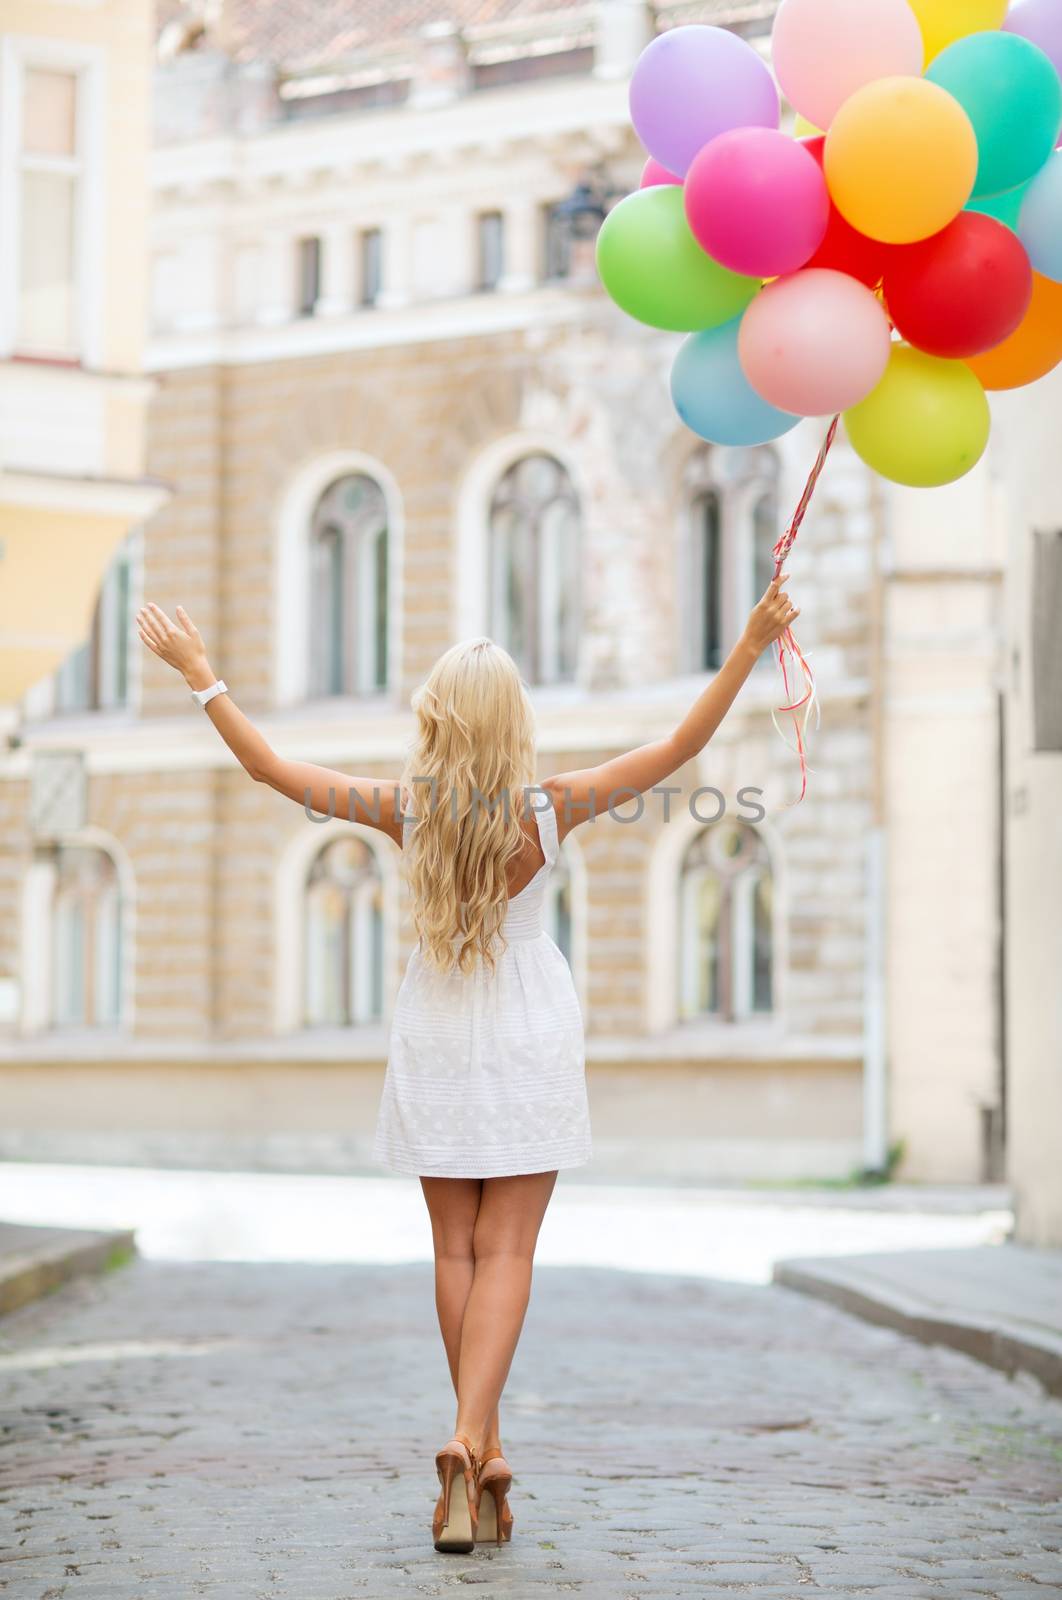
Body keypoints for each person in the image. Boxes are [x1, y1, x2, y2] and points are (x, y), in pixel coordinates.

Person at [136, 574, 798, 1554]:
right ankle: (466, 1437)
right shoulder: (554, 807)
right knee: (510, 1251)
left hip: (439, 1029)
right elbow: (683, 748)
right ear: (515, 724)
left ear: (438, 721)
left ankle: (479, 1452)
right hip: (527, 1029)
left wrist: (201, 677)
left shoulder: (409, 810)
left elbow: (273, 768)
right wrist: (747, 645)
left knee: (455, 1251)